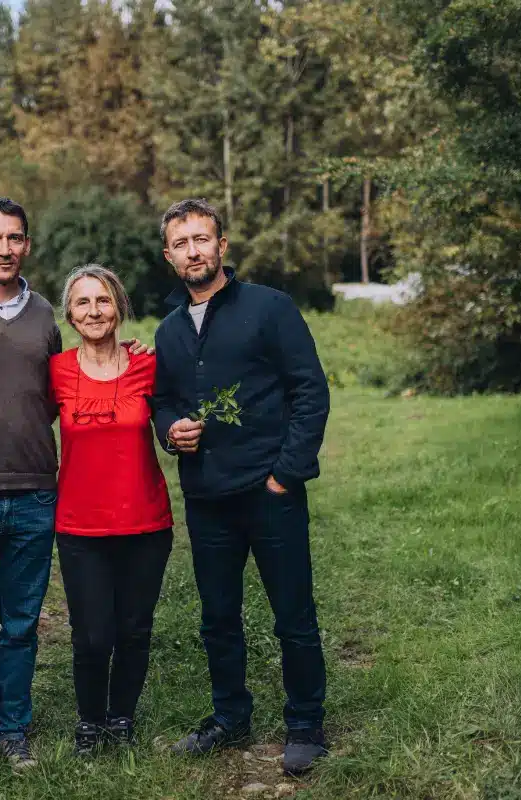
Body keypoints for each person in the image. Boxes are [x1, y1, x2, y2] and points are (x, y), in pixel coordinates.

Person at [0, 196, 148, 777]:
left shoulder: (44, 316)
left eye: (14, 238)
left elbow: (68, 386)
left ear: (27, 245)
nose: (5, 248)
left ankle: (14, 731)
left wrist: (129, 357)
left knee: (21, 626)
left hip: (36, 494)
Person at [150, 198, 332, 776]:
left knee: (292, 614)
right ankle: (230, 717)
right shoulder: (169, 331)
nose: (193, 251)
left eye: (202, 239)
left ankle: (305, 723)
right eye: (181, 244)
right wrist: (169, 430)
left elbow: (310, 391)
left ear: (222, 246)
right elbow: (163, 401)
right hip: (207, 498)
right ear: (169, 256)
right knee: (218, 618)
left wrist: (285, 474)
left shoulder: (270, 308)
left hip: (270, 492)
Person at [48, 265, 174, 757]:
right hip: (80, 526)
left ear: (119, 307)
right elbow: (16, 419)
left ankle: (121, 717)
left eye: (103, 300)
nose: (94, 311)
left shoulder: (149, 365)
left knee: (134, 629)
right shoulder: (56, 371)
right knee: (92, 634)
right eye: (83, 302)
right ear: (69, 314)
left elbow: (177, 417)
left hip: (145, 522)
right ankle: (89, 721)